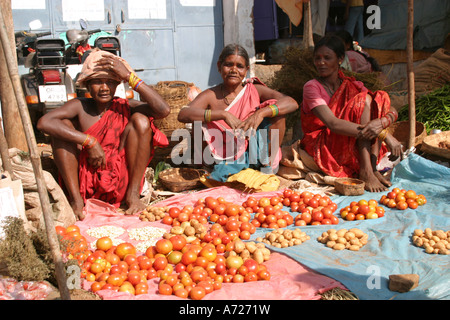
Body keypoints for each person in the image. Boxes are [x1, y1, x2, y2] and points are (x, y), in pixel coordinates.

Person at [37, 48, 170, 220]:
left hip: (119, 183)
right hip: (85, 185)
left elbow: (163, 110)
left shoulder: (126, 106)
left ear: (117, 84)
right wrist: (89, 141)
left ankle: (133, 195)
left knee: (141, 121)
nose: (104, 88)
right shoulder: (80, 106)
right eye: (97, 81)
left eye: (110, 82)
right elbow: (44, 122)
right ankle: (76, 202)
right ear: (86, 84)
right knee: (61, 127)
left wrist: (130, 76)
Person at [177, 44, 298, 182]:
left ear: (246, 70)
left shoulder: (255, 90)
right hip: (221, 155)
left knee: (277, 113)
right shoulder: (211, 95)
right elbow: (183, 114)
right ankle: (209, 167)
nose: (234, 70)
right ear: (219, 66)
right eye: (228, 65)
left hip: (255, 152)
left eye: (239, 66)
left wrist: (261, 114)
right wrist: (223, 115)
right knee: (197, 121)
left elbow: (291, 103)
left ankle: (266, 166)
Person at [301, 35, 403, 192]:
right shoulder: (312, 87)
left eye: (327, 58)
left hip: (349, 137)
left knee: (377, 97)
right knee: (362, 100)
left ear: (340, 59)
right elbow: (333, 124)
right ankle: (366, 170)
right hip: (324, 142)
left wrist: (382, 123)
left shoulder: (349, 84)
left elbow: (391, 110)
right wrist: (384, 135)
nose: (321, 63)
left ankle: (372, 167)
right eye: (317, 58)